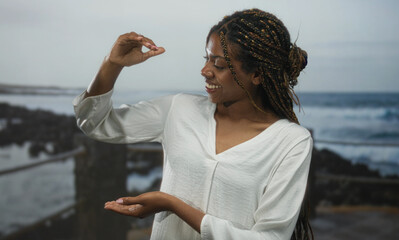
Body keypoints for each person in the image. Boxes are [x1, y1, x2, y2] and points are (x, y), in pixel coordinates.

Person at [73, 8, 313, 240]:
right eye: (206, 59)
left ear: (257, 74)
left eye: (218, 65)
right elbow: (95, 123)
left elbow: (269, 237)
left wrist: (171, 203)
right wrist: (112, 64)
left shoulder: (292, 142)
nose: (204, 71)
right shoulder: (179, 110)